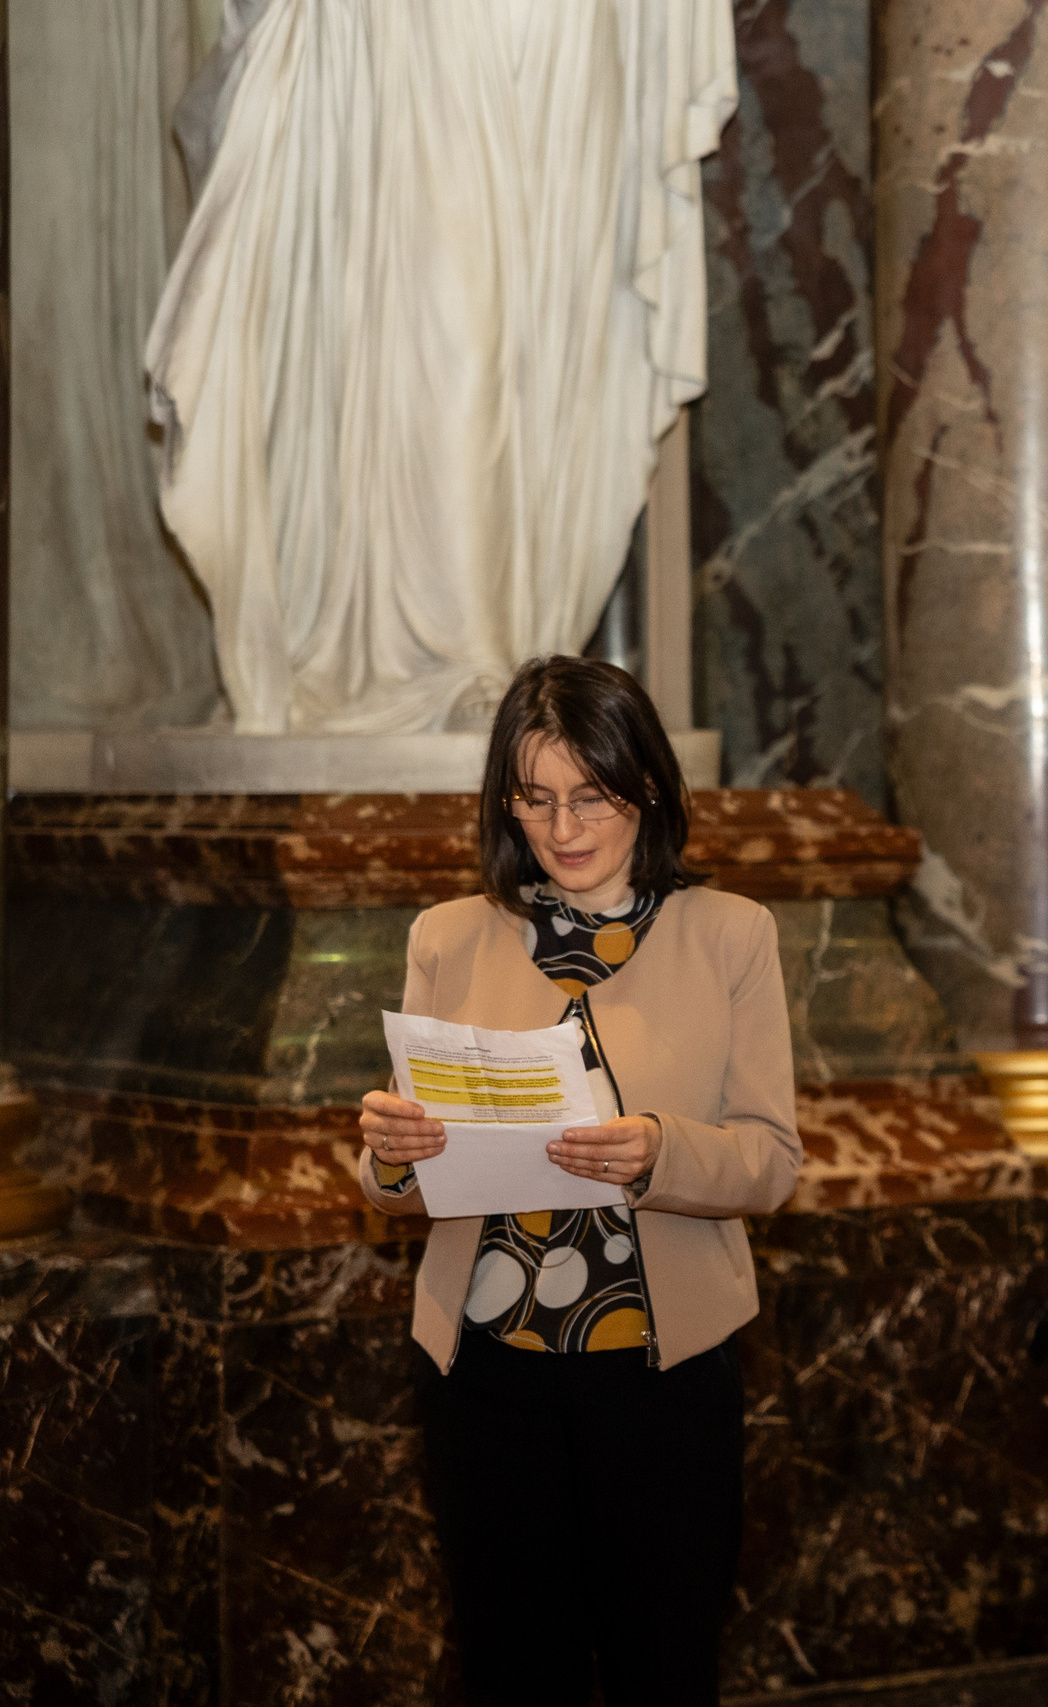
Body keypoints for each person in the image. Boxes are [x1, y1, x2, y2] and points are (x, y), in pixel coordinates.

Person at [356, 656, 802, 1705]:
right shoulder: (449, 935)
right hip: (483, 1367)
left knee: (662, 1659)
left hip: (659, 1369)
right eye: (536, 798)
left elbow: (772, 1159)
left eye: (591, 795)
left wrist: (659, 1149)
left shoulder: (731, 934)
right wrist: (389, 1153)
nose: (563, 827)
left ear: (644, 787)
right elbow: (395, 1182)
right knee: (514, 1664)